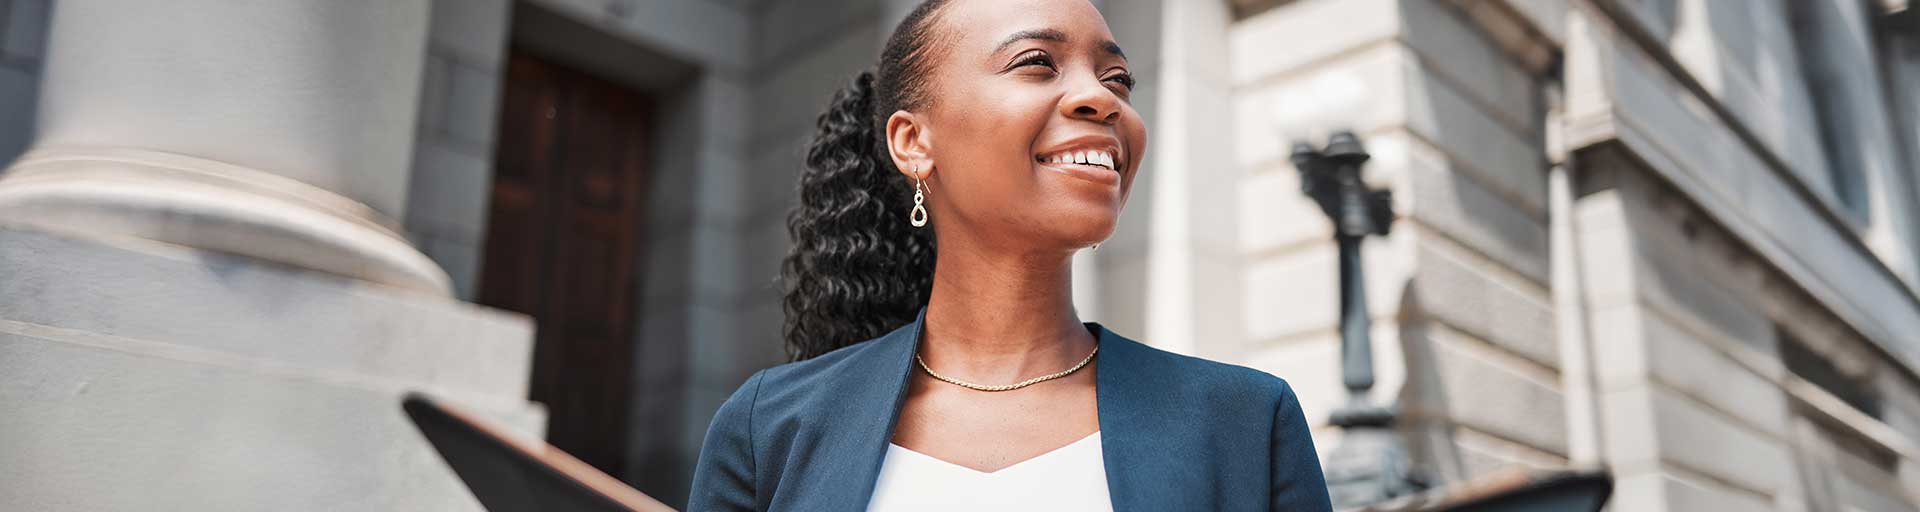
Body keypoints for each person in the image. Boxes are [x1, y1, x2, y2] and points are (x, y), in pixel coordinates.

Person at [687, 0, 1330, 509]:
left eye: (1119, 79)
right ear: (912, 141)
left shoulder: (1246, 422)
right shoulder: (770, 427)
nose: (1103, 100)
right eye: (1036, 63)